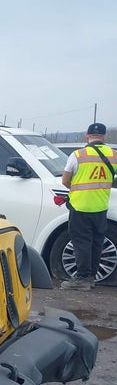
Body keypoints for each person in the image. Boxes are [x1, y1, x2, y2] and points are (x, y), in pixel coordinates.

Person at [60, 122, 116, 290]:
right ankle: (91, 276)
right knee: (97, 242)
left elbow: (65, 180)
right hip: (100, 205)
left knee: (81, 242)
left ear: (87, 135)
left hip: (80, 206)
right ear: (104, 137)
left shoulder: (78, 155)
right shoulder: (113, 155)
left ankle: (83, 279)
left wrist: (76, 188)